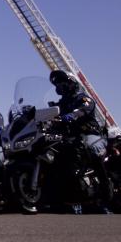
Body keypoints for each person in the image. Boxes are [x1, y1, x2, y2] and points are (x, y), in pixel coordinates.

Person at [50, 69, 111, 214]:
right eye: (57, 84)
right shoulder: (61, 103)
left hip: (90, 134)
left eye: (62, 82)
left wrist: (71, 115)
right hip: (71, 137)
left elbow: (83, 110)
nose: (59, 86)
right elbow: (52, 114)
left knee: (91, 149)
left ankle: (105, 196)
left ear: (71, 83)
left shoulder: (83, 98)